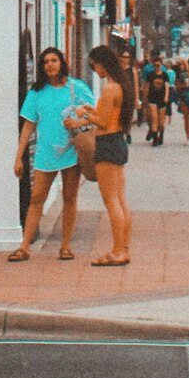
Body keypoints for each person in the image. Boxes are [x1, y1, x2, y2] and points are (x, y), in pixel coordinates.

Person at [11, 47, 94, 261]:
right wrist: (18, 156)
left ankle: (65, 246)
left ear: (61, 62)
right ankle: (24, 246)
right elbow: (28, 126)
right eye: (46, 61)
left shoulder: (76, 88)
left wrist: (79, 121)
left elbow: (95, 114)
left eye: (54, 60)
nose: (50, 64)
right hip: (45, 153)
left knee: (69, 197)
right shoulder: (36, 93)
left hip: (71, 151)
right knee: (37, 197)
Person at [74, 45, 133, 267]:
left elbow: (103, 122)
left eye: (95, 66)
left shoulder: (110, 88)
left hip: (107, 143)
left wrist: (85, 113)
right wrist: (93, 108)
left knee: (111, 202)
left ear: (103, 63)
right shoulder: (121, 86)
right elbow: (110, 115)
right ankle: (123, 249)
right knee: (120, 200)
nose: (95, 70)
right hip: (117, 141)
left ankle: (117, 251)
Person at [144, 55, 171, 147]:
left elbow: (167, 87)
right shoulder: (150, 75)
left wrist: (166, 97)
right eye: (155, 65)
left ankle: (161, 134)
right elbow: (147, 87)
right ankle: (155, 139)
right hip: (152, 98)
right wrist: (145, 98)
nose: (156, 67)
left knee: (161, 120)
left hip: (162, 98)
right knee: (154, 118)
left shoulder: (165, 75)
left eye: (158, 65)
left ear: (161, 65)